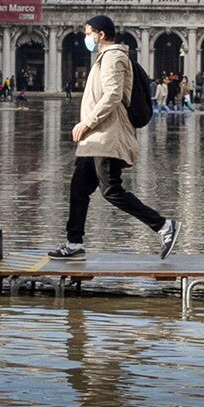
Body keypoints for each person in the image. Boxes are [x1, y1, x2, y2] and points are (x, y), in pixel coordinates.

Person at [57, 15, 174, 258]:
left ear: (101, 34)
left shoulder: (114, 58)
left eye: (89, 33)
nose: (86, 38)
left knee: (111, 190)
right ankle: (74, 243)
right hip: (95, 138)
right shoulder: (104, 59)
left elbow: (112, 95)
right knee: (78, 188)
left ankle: (164, 226)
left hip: (107, 137)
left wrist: (85, 123)